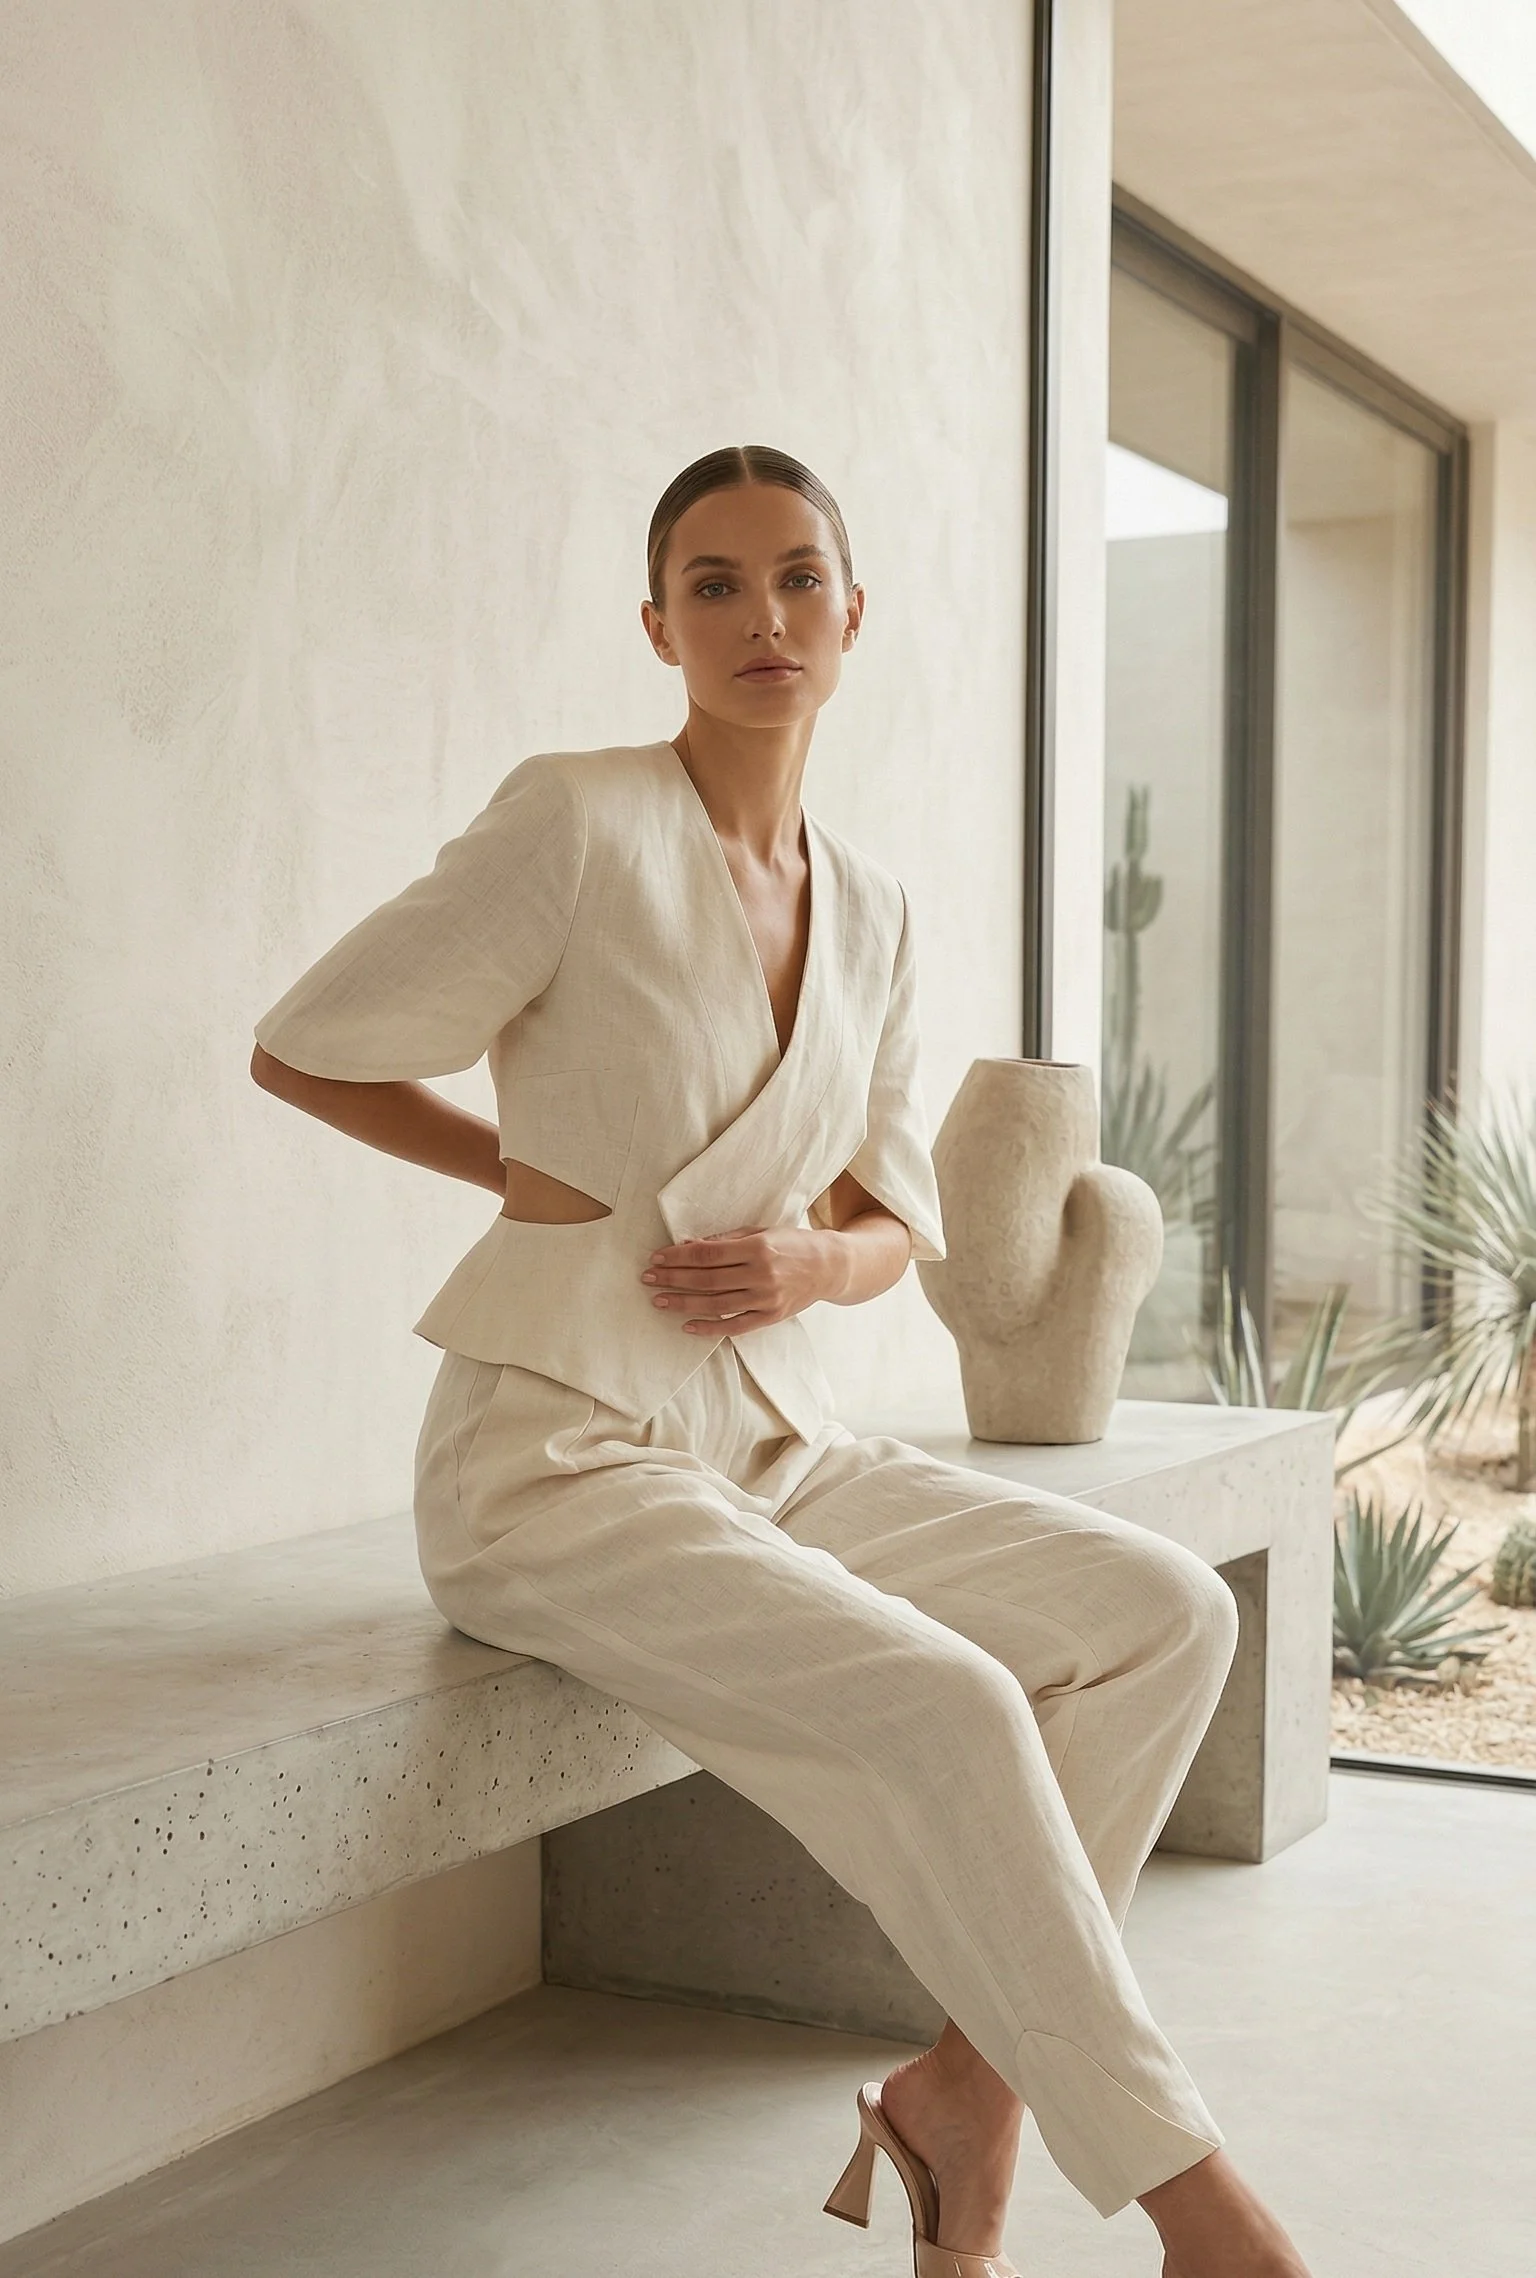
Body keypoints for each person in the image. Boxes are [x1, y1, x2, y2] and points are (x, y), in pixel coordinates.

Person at [251, 444, 1313, 2277]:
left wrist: (818, 1256)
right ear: (658, 623)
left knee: (1168, 1615)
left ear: (852, 611)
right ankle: (1199, 2211)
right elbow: (309, 1041)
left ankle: (969, 2088)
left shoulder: (877, 905)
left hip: (768, 1440)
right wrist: (510, 1167)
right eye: (718, 584)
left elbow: (901, 1210)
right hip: (554, 1460)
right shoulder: (576, 820)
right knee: (966, 1702)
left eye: (799, 577)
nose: (764, 616)